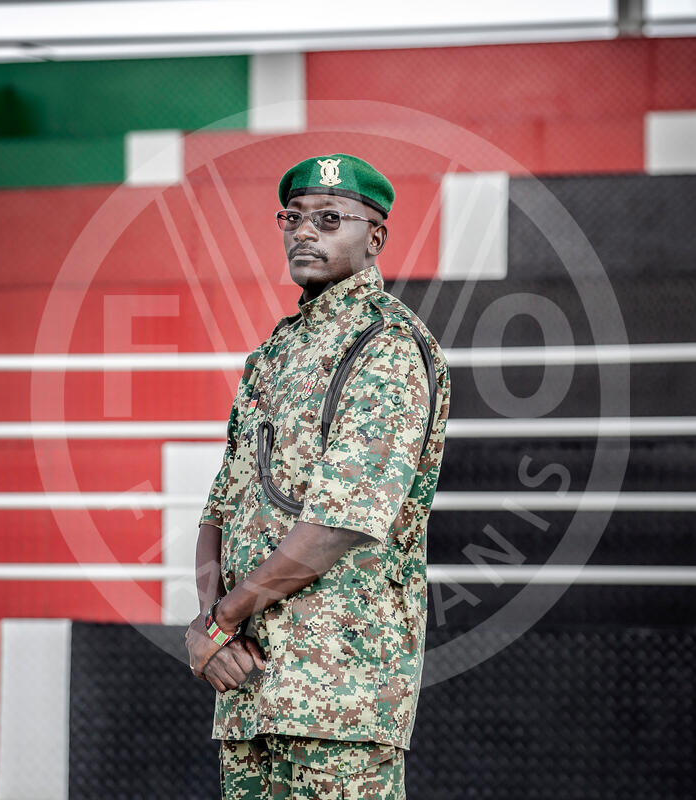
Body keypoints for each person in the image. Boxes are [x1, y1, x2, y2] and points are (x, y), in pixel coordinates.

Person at [185, 153, 451, 799]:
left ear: (375, 238)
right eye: (294, 217)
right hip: (249, 686)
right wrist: (211, 627)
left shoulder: (386, 344)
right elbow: (222, 509)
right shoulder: (273, 354)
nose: (305, 231)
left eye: (330, 219)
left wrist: (219, 622)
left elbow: (341, 523)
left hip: (338, 692)